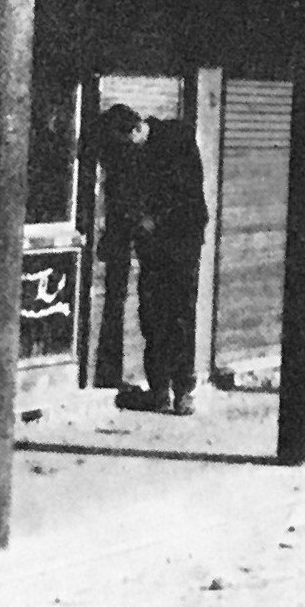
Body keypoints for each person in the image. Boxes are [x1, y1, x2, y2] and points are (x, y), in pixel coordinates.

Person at [98, 102, 209, 415]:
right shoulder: (132, 150)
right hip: (152, 246)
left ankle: (184, 390)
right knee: (152, 314)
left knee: (180, 314)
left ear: (135, 129)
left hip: (182, 241)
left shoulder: (177, 140)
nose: (122, 152)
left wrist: (154, 219)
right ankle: (159, 390)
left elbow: (187, 193)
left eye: (124, 142)